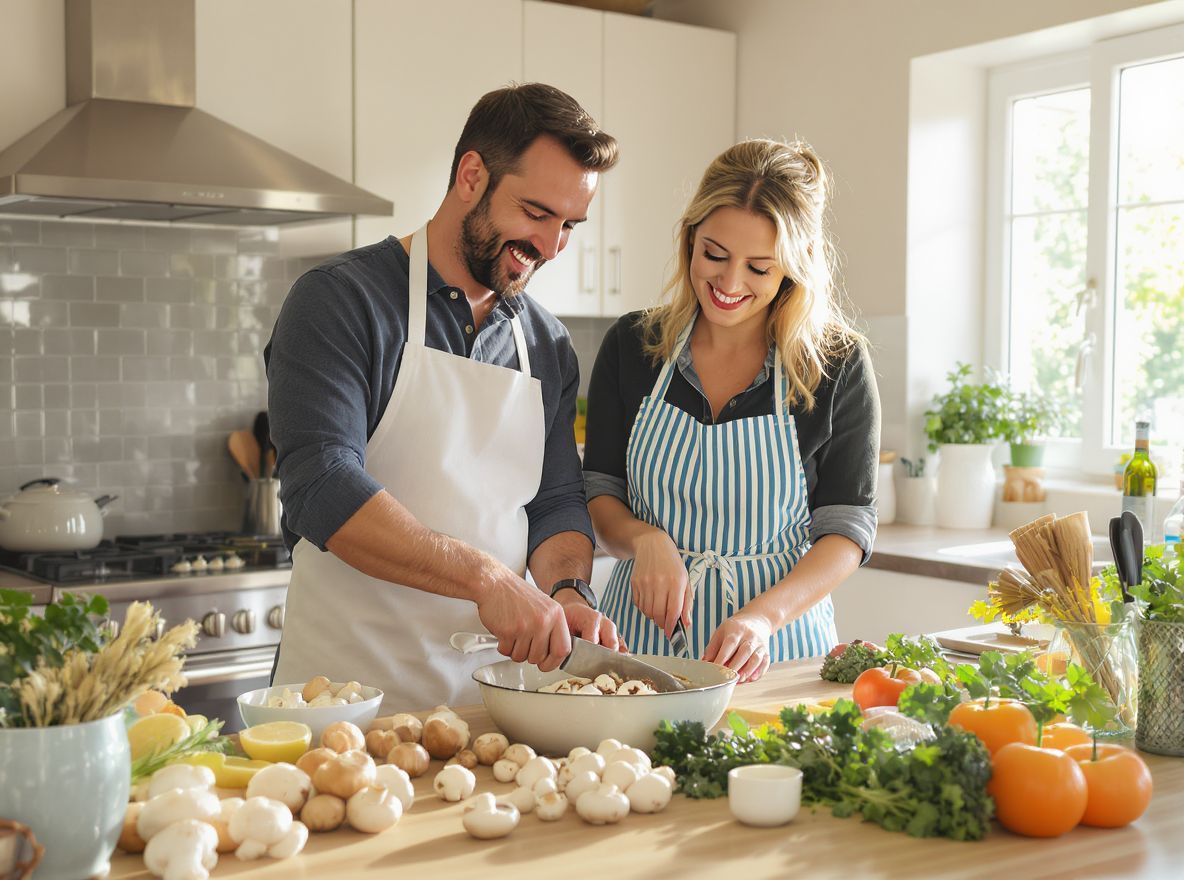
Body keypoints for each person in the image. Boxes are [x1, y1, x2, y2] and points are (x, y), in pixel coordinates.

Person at [265, 83, 623, 710]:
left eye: (569, 225)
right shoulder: (340, 301)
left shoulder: (546, 343)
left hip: (488, 704)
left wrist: (567, 591)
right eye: (536, 213)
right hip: (343, 701)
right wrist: (485, 578)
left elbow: (556, 501)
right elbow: (322, 484)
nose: (550, 247)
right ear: (471, 175)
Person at [582, 138, 880, 684]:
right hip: (642, 647)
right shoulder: (633, 345)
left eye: (759, 268)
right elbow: (600, 491)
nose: (729, 283)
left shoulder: (835, 363)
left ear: (793, 267)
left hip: (779, 648)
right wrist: (644, 539)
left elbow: (847, 529)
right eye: (714, 255)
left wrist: (763, 617)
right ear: (690, 239)